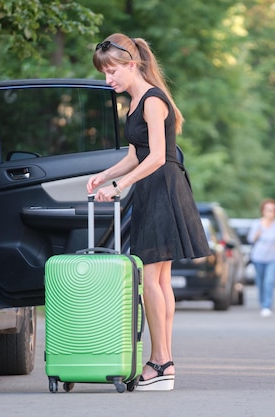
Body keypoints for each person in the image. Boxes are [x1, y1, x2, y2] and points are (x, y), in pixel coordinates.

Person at [87, 33, 210, 391]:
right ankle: (164, 361)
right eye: (104, 73)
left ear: (131, 64)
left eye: (112, 72)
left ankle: (161, 362)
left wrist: (120, 187)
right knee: (157, 280)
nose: (107, 80)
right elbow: (134, 155)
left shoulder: (153, 100)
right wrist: (104, 176)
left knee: (151, 281)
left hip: (164, 188)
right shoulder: (133, 101)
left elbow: (157, 156)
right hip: (152, 188)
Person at [247, 198, 275, 318]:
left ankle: (266, 305)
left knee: (269, 281)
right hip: (258, 257)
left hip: (274, 258)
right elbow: (250, 240)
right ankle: (262, 302)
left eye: (273, 210)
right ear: (263, 211)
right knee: (260, 282)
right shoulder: (256, 224)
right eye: (269, 210)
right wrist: (256, 235)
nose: (271, 212)